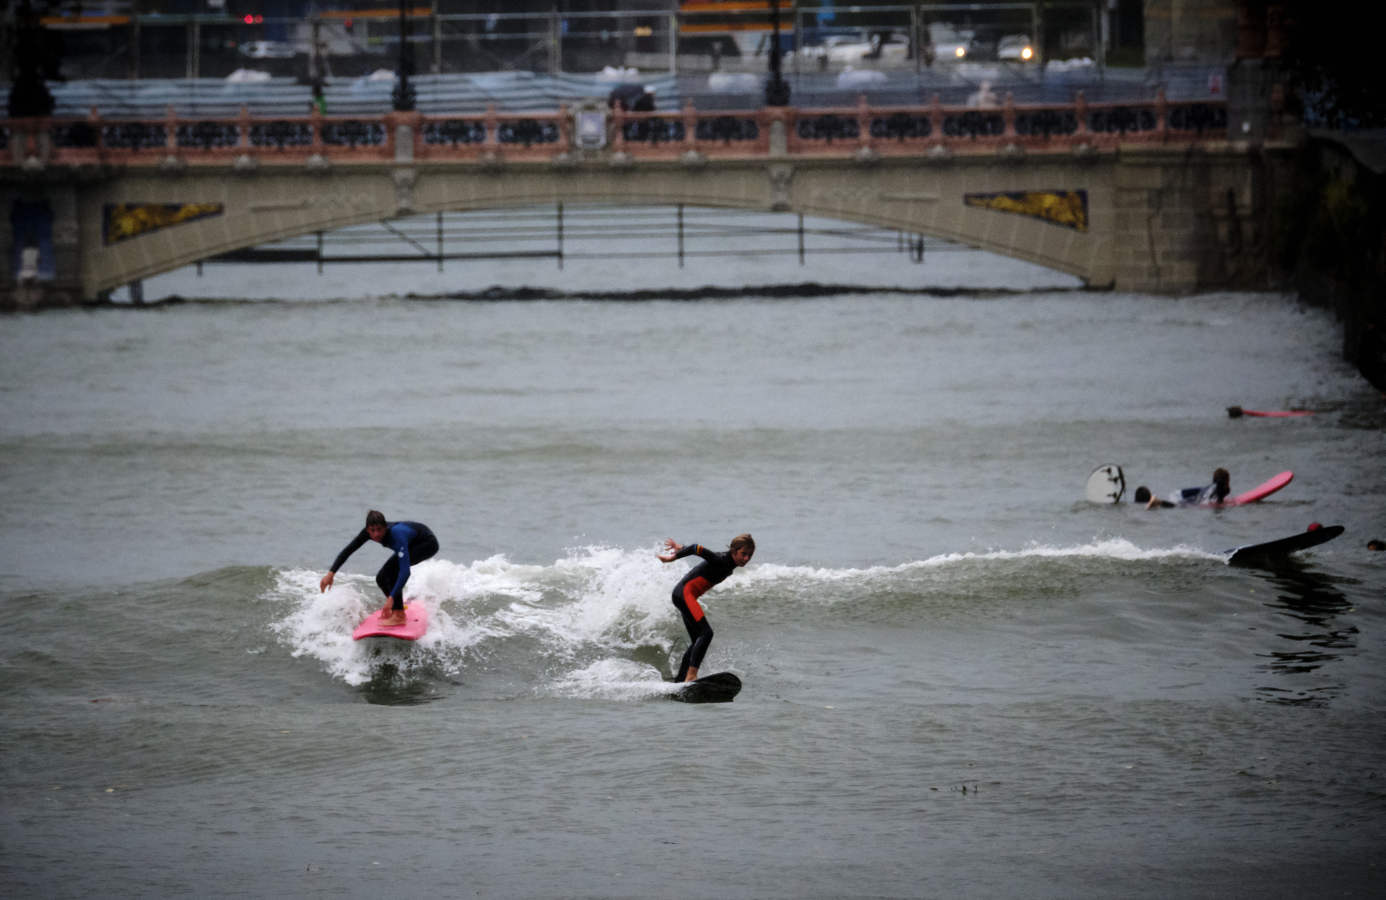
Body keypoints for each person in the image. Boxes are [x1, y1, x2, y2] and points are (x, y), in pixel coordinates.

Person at [657, 534, 755, 683]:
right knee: (706, 633)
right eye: (743, 554)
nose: (747, 559)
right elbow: (696, 548)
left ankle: (681, 679)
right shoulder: (721, 560)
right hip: (684, 594)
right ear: (734, 551)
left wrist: (679, 548)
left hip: (683, 595)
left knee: (697, 639)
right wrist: (672, 558)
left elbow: (694, 549)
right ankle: (691, 676)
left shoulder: (728, 562)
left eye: (750, 555)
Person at [320, 510, 438, 627]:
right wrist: (331, 573)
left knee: (392, 571)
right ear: (368, 530)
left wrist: (391, 598)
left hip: (427, 543)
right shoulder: (367, 533)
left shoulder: (397, 534)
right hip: (410, 542)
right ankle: (396, 607)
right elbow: (348, 550)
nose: (376, 534)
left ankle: (399, 615)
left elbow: (405, 572)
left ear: (385, 528)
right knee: (381, 578)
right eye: (373, 530)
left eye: (379, 530)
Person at [1135, 468, 1231, 509]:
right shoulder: (1218, 488)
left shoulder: (1211, 487)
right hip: (1181, 497)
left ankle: (1156, 501)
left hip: (1180, 495)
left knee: (1178, 505)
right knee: (1178, 506)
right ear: (1225, 481)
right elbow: (1218, 497)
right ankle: (1158, 501)